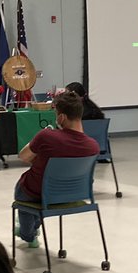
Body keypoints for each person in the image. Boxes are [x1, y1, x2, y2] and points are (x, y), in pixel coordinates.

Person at [14, 89, 98, 248]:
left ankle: (28, 234)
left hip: (36, 193)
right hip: (72, 195)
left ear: (62, 117)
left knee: (22, 192)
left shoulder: (46, 136)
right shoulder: (93, 146)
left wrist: (37, 142)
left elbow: (24, 156)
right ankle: (32, 228)